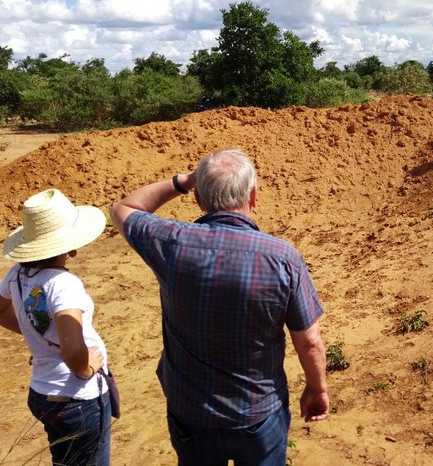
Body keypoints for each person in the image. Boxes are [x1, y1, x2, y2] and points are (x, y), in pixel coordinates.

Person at [110, 148, 329, 466]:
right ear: (252, 196)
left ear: (198, 198)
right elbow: (309, 341)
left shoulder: (170, 243)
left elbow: (124, 207)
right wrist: (316, 388)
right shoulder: (283, 258)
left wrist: (182, 182)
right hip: (258, 413)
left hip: (191, 411)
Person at [0, 189, 111, 466]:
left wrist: (38, 335)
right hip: (77, 399)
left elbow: (1, 309)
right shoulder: (64, 284)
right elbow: (74, 352)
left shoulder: (17, 274)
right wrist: (87, 369)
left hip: (42, 393)